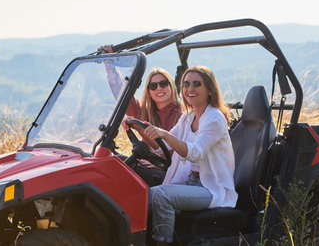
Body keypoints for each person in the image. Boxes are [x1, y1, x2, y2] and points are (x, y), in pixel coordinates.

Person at [143, 66, 238, 245]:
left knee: (162, 195)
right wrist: (143, 132)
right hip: (190, 182)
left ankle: (163, 243)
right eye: (186, 84)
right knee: (145, 194)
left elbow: (194, 153)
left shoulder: (215, 118)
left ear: (209, 90)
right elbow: (163, 144)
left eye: (196, 84)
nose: (190, 89)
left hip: (211, 189)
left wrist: (163, 134)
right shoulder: (187, 117)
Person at [97, 45, 182, 186]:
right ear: (148, 91)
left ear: (171, 86)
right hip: (146, 165)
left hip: (170, 172)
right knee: (112, 163)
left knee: (126, 175)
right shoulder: (144, 112)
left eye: (163, 83)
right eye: (153, 86)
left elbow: (183, 151)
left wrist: (160, 164)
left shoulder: (182, 114)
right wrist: (109, 63)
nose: (159, 89)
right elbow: (123, 93)